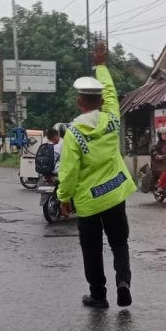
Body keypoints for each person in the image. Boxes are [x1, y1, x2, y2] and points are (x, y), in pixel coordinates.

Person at [57, 41, 137, 309]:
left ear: (79, 101)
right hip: (115, 194)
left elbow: (68, 172)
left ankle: (98, 295)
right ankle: (123, 283)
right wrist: (101, 65)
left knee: (91, 249)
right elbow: (113, 94)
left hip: (89, 202)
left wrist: (64, 197)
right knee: (119, 243)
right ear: (101, 101)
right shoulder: (112, 120)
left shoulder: (74, 133)